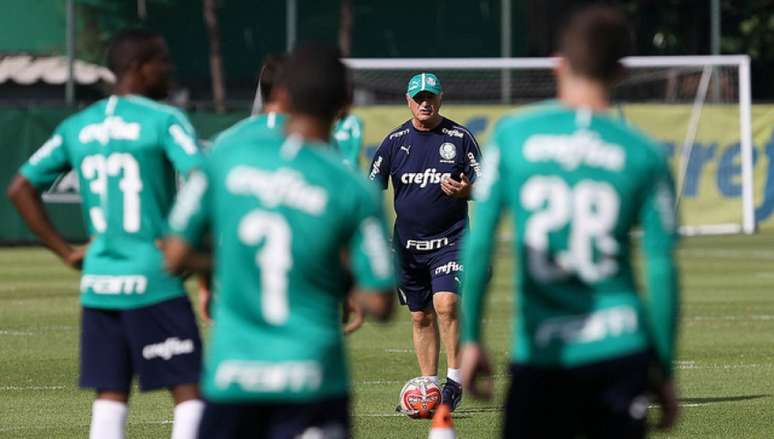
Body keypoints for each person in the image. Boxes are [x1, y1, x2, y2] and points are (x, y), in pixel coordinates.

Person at [459, 6, 680, 438]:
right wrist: (665, 368)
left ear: (558, 63)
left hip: (543, 351)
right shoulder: (645, 153)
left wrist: (470, 339)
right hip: (620, 347)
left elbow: (480, 241)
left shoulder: (513, 136)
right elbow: (661, 268)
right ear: (620, 71)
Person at [163, 43, 396, 438]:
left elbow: (174, 254)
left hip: (234, 376)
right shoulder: (352, 186)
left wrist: (227, 265)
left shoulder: (226, 157)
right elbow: (380, 302)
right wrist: (336, 278)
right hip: (313, 378)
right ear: (347, 102)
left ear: (282, 96)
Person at [7, 29, 205, 439]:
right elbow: (203, 180)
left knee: (110, 396)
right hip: (153, 277)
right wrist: (186, 241)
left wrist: (66, 252)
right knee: (190, 391)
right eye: (162, 61)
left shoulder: (78, 126)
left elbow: (20, 188)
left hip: (99, 284)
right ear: (138, 68)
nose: (169, 70)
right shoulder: (165, 120)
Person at [368, 72, 482, 411]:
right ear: (408, 101)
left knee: (446, 304)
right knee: (420, 316)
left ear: (440, 98)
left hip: (451, 241)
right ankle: (428, 387)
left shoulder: (459, 138)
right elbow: (370, 190)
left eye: (430, 96)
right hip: (407, 248)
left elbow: (488, 185)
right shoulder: (393, 142)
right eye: (418, 97)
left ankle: (456, 381)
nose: (424, 103)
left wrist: (467, 191)